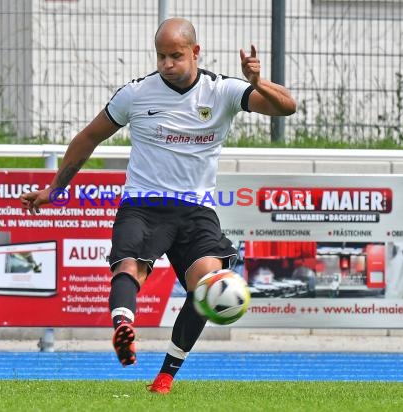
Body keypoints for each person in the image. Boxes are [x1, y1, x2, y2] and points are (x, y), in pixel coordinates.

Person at [20, 17, 296, 394]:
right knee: (130, 267)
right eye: (161, 56)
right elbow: (88, 138)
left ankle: (165, 376)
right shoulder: (135, 94)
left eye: (176, 55)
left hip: (195, 210)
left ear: (195, 52)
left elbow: (287, 108)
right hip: (143, 204)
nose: (167, 63)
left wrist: (257, 82)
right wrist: (55, 189)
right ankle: (124, 325)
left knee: (208, 284)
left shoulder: (223, 90)